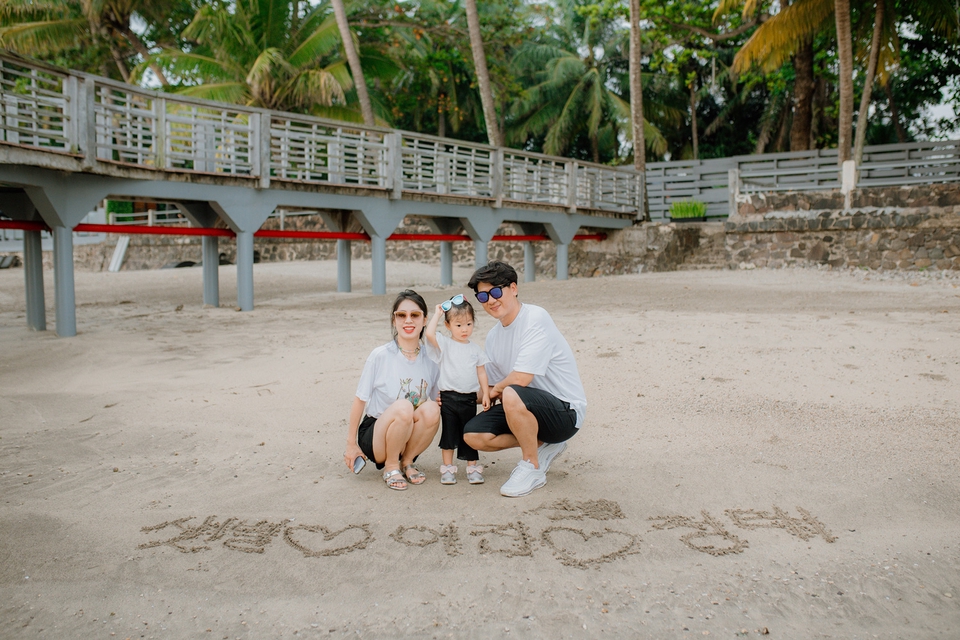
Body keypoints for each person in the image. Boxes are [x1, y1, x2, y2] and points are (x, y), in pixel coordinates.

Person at [462, 261, 587, 497]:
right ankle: (541, 444)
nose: (491, 300)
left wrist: (498, 389)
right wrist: (454, 396)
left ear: (514, 288)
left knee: (511, 391)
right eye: (483, 296)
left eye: (496, 291)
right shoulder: (493, 337)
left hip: (565, 412)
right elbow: (492, 388)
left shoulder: (535, 318)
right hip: (521, 404)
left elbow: (520, 378)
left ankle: (532, 467)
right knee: (473, 436)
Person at [343, 290, 441, 491]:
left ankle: (406, 462)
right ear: (394, 320)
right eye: (401, 315)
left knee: (432, 409)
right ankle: (390, 466)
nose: (408, 320)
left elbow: (438, 401)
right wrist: (351, 445)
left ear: (424, 320)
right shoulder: (380, 355)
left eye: (415, 315)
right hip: (376, 434)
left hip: (408, 436)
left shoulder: (432, 360)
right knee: (404, 406)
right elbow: (360, 400)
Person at [424, 294, 491, 485]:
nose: (464, 329)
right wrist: (437, 314)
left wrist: (485, 393)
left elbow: (482, 373)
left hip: (469, 399)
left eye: (468, 324)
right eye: (459, 325)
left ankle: (472, 468)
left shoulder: (476, 349)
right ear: (448, 326)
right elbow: (429, 334)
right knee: (449, 433)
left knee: (469, 433)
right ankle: (447, 469)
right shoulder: (445, 344)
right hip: (448, 398)